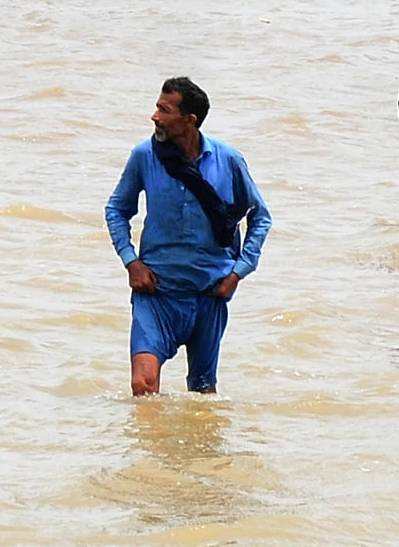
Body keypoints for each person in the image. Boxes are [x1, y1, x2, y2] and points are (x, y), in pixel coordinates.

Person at [105, 75, 273, 396]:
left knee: (202, 393)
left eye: (164, 110)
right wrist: (131, 262)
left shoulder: (228, 160)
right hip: (157, 293)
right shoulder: (144, 156)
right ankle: (149, 443)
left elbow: (260, 217)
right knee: (142, 385)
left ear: (189, 120)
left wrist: (238, 273)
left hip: (209, 293)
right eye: (156, 107)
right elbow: (116, 210)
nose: (154, 116)